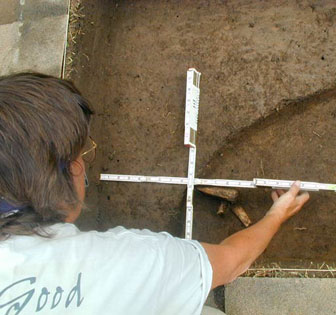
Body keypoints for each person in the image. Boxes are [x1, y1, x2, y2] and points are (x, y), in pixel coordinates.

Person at [0, 73, 309, 315]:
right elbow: (232, 263)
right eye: (83, 155)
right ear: (65, 174)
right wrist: (276, 215)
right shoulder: (134, 264)